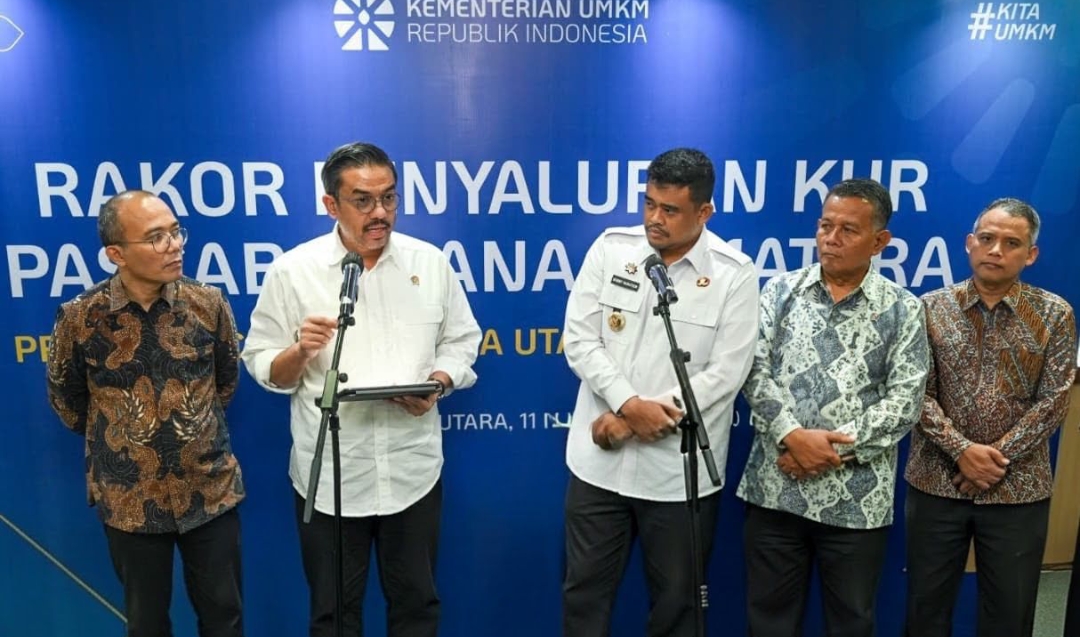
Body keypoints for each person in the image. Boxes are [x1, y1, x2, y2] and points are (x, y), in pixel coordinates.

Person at [241, 142, 481, 637]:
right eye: (363, 201)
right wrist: (300, 351)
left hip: (412, 470)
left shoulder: (430, 263)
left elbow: (462, 341)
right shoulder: (294, 271)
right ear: (331, 205)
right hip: (331, 476)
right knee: (333, 614)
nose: (380, 213)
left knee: (417, 607)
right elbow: (264, 365)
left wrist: (438, 383)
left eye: (389, 198)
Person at [561, 147, 759, 637]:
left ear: (704, 212)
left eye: (670, 210)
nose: (654, 218)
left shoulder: (734, 274)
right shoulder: (611, 248)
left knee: (678, 609)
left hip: (678, 477)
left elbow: (726, 373)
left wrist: (643, 418)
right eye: (649, 204)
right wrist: (629, 404)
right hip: (598, 467)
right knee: (583, 598)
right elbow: (580, 340)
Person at [46, 190, 245, 637]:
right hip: (130, 500)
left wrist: (187, 428)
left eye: (176, 232)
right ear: (116, 254)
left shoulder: (208, 303)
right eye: (156, 237)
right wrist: (129, 438)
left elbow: (224, 382)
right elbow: (68, 401)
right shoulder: (80, 318)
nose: (174, 246)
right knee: (146, 624)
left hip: (208, 492)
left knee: (225, 618)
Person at [736, 178, 929, 637]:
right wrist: (792, 437)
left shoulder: (903, 309)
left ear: (879, 241)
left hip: (855, 502)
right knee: (768, 621)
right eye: (825, 226)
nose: (831, 238)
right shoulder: (780, 292)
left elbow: (905, 400)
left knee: (851, 623)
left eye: (848, 230)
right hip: (776, 488)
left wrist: (825, 450)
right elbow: (752, 371)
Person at [904, 198, 1077, 637]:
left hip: (1018, 488)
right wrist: (962, 452)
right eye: (987, 238)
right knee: (925, 608)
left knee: (1009, 613)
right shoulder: (929, 307)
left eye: (1011, 243)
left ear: (1030, 254)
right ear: (969, 243)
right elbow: (915, 393)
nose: (996, 250)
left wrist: (992, 459)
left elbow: (1054, 400)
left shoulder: (1055, 314)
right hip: (936, 482)